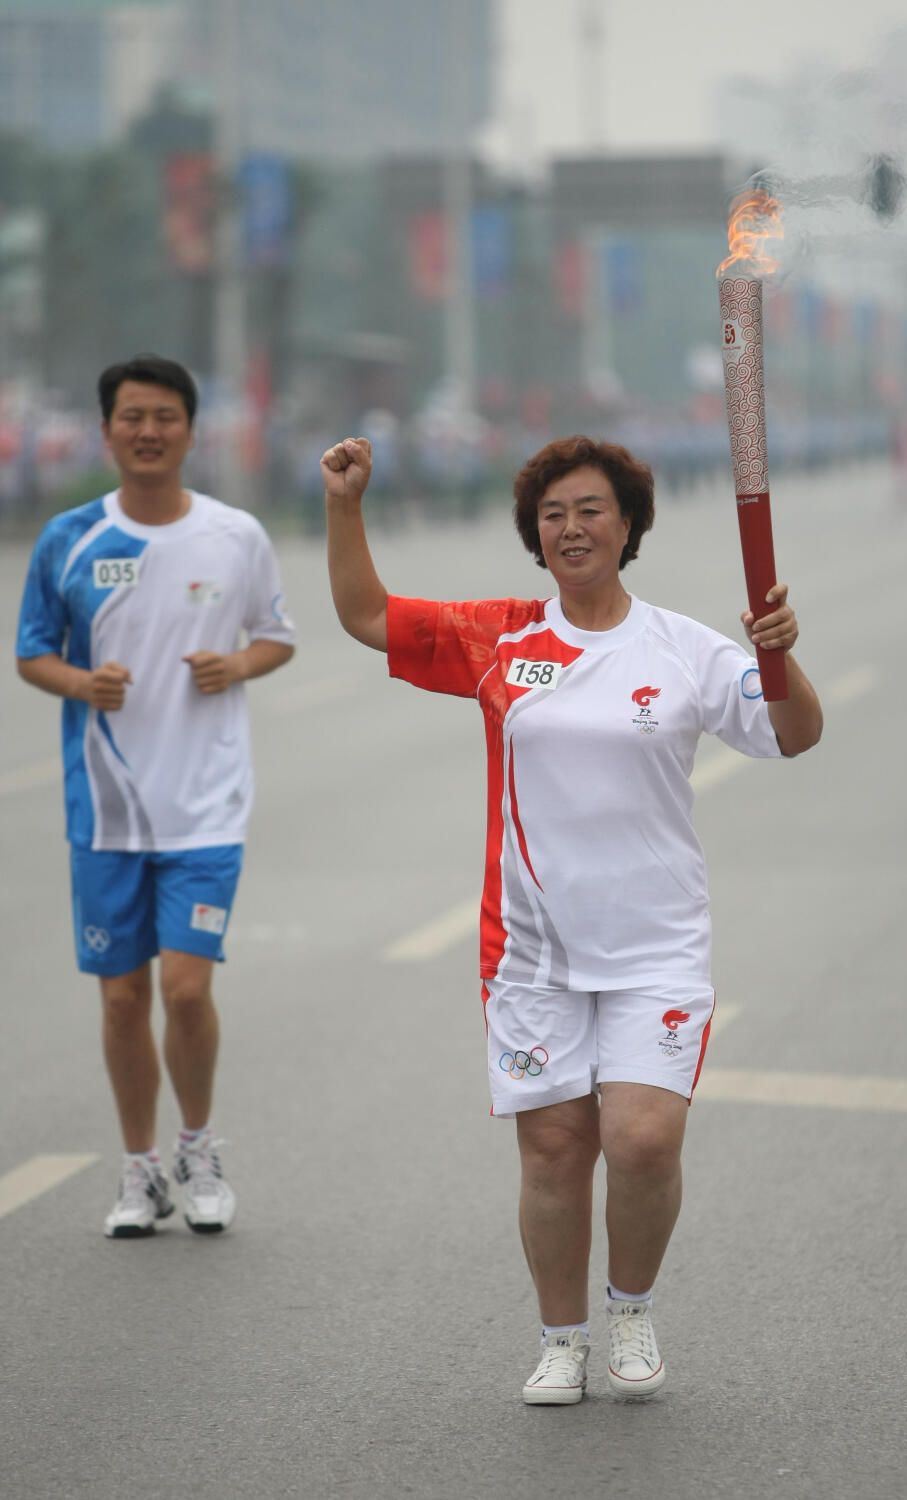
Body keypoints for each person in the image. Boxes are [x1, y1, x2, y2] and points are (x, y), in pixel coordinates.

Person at [321, 432, 822, 1404]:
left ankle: (629, 1307)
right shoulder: (500, 637)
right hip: (533, 950)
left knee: (640, 1140)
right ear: (533, 536)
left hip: (655, 945)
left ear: (627, 523)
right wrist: (345, 505)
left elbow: (793, 735)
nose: (570, 528)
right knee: (552, 1148)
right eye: (551, 515)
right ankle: (562, 1339)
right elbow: (367, 615)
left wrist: (781, 659)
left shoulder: (683, 648)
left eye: (590, 509)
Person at [15, 354, 296, 1239]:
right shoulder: (68, 539)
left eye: (164, 416)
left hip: (207, 804)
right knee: (121, 998)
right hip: (105, 808)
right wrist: (79, 683)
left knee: (182, 991)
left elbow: (277, 637)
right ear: (106, 431)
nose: (147, 431)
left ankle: (198, 1146)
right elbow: (31, 652)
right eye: (132, 417)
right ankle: (139, 1169)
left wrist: (237, 663)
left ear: (189, 428)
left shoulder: (234, 534)